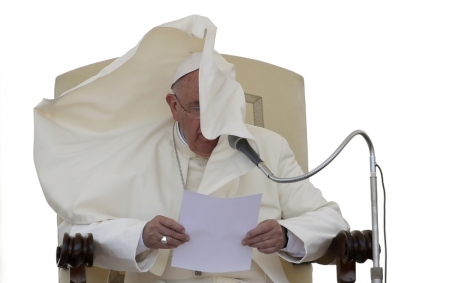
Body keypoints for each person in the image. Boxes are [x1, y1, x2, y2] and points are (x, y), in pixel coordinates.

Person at [35, 15, 349, 283]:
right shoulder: (137, 149)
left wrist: (286, 234)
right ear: (174, 106)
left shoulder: (268, 147)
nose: (211, 124)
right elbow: (72, 231)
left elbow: (332, 222)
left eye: (219, 107)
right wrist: (140, 235)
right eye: (197, 108)